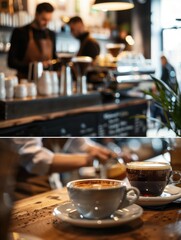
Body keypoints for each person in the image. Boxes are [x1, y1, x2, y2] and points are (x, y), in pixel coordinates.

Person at [6, 138, 116, 200]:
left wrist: (104, 152)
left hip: (52, 190)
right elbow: (35, 160)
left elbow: (77, 142)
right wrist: (88, 159)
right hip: (25, 196)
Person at [8, 2, 56, 79]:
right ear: (36, 15)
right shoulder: (20, 32)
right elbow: (11, 62)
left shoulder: (51, 34)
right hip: (25, 81)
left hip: (47, 80)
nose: (46, 23)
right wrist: (36, 66)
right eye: (44, 19)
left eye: (49, 20)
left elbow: (54, 58)